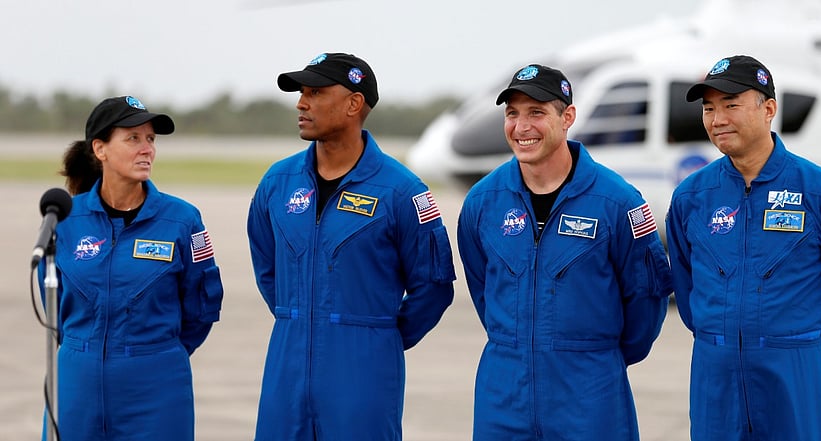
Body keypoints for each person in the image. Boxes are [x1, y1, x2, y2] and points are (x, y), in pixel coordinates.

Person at [666, 55, 821, 440]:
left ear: (768, 110)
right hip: (716, 375)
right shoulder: (690, 198)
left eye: (730, 105)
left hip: (794, 370)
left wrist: (810, 350)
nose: (717, 119)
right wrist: (723, 340)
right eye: (709, 108)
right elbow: (685, 281)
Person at [456, 64, 672, 440]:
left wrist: (594, 359)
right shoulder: (483, 202)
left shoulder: (617, 202)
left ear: (568, 117)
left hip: (590, 396)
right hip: (503, 395)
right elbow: (483, 290)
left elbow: (646, 301)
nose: (522, 127)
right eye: (512, 114)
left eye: (536, 113)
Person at [247, 52, 455, 441]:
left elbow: (434, 287)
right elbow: (267, 267)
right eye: (301, 93)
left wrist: (377, 337)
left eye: (315, 92)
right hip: (285, 374)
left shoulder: (402, 191)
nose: (301, 103)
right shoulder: (277, 184)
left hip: (364, 377)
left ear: (353, 104)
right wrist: (300, 318)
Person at [39, 95, 224, 440]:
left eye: (151, 139)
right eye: (133, 138)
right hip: (77, 382)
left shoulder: (183, 220)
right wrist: (86, 348)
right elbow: (53, 304)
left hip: (156, 385)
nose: (147, 149)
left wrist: (151, 353)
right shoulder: (64, 219)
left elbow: (202, 305)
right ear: (100, 149)